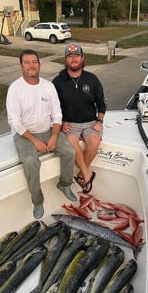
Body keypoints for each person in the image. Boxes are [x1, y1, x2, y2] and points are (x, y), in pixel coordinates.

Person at [6, 49, 77, 219]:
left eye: (34, 62)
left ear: (39, 64)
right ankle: (37, 201)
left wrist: (53, 136)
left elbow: (57, 114)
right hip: (25, 135)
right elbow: (14, 121)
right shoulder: (15, 89)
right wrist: (35, 141)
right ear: (21, 65)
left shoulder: (48, 86)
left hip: (48, 131)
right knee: (31, 161)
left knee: (69, 151)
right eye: (27, 62)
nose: (31, 65)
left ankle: (65, 184)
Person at [53, 43, 107, 193]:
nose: (74, 59)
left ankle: (80, 175)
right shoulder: (58, 82)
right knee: (71, 142)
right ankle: (87, 175)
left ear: (82, 58)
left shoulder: (92, 79)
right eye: (70, 56)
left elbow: (102, 103)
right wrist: (62, 122)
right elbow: (53, 107)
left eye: (76, 56)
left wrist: (99, 121)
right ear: (66, 60)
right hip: (70, 124)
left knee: (94, 142)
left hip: (90, 122)